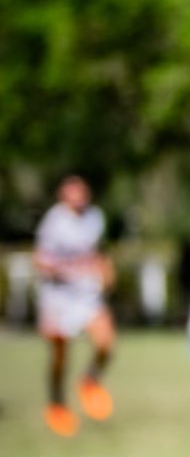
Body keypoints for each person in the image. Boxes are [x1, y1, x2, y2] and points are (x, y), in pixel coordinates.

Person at [33, 174, 116, 437]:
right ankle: (57, 404)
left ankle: (90, 381)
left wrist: (104, 269)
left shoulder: (95, 217)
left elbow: (98, 252)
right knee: (60, 354)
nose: (79, 199)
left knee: (106, 342)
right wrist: (63, 269)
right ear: (63, 196)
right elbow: (40, 260)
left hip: (86, 293)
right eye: (73, 194)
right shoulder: (54, 221)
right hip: (59, 295)